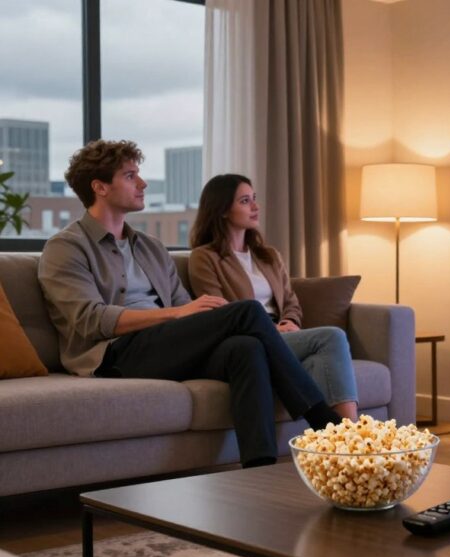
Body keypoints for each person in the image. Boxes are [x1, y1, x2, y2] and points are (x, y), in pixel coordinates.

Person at [37, 140, 341, 469]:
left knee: (246, 347)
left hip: (168, 345)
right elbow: (90, 319)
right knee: (248, 310)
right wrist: (178, 314)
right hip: (114, 354)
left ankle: (259, 467)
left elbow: (185, 304)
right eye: (130, 176)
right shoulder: (66, 248)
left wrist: (196, 315)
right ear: (100, 187)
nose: (142, 183)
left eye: (138, 174)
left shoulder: (150, 247)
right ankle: (327, 426)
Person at [188, 174, 359, 421]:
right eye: (245, 201)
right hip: (252, 338)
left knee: (317, 364)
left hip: (284, 333)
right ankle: (350, 437)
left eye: (254, 199)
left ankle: (331, 445)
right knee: (332, 337)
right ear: (223, 210)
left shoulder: (268, 256)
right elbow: (219, 313)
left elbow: (291, 301)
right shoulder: (204, 257)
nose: (255, 207)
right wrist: (269, 329)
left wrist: (292, 323)